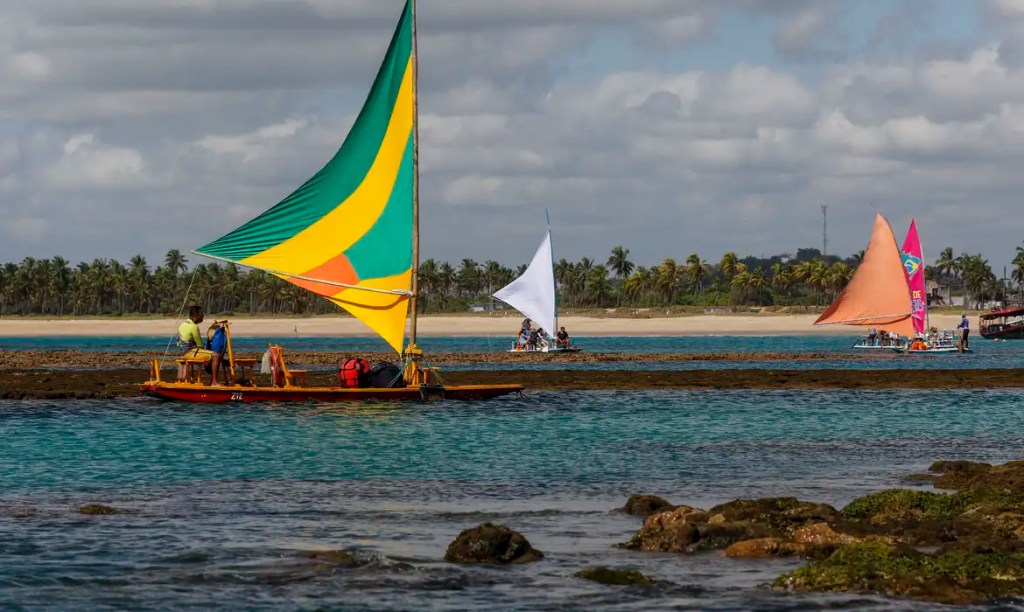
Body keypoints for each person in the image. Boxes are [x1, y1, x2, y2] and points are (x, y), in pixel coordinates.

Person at [176, 305, 215, 384]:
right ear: (195, 315)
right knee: (215, 355)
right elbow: (200, 345)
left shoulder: (182, 324)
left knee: (209, 354)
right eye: (201, 315)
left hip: (183, 352)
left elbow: (178, 343)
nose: (202, 317)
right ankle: (214, 381)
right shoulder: (193, 326)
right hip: (190, 353)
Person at [206, 320, 229, 385]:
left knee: (216, 358)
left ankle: (213, 381)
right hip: (215, 352)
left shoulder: (214, 330)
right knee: (216, 358)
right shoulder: (217, 331)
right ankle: (214, 382)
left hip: (213, 351)